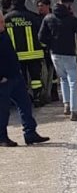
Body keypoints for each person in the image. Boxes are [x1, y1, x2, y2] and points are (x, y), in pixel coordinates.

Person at [0, 10, 50, 147]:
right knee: (3, 111)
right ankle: (2, 137)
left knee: (25, 104)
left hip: (15, 76)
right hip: (3, 80)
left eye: (2, 21)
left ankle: (30, 133)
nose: (3, 23)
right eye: (1, 21)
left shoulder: (4, 34)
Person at [38, 0, 77, 121]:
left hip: (54, 54)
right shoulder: (71, 19)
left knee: (63, 80)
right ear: (69, 4)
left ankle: (66, 106)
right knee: (73, 82)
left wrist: (51, 44)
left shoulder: (48, 18)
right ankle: (74, 111)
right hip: (69, 54)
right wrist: (74, 18)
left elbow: (41, 37)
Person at [5, 0, 46, 107]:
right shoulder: (32, 17)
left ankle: (23, 100)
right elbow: (41, 33)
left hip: (15, 56)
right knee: (36, 78)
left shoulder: (6, 18)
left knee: (20, 79)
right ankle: (37, 98)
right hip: (34, 54)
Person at [36, 0, 59, 102]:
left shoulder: (53, 18)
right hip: (40, 49)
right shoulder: (36, 18)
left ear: (48, 6)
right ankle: (45, 94)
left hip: (51, 48)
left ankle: (54, 93)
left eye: (42, 5)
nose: (40, 8)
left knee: (53, 73)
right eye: (39, 6)